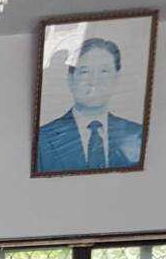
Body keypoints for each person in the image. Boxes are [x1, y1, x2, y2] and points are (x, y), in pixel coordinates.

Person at [37, 37, 145, 172]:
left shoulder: (136, 134)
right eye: (85, 71)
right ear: (70, 79)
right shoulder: (42, 139)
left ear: (117, 78)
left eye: (104, 71)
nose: (94, 81)